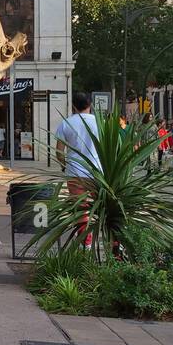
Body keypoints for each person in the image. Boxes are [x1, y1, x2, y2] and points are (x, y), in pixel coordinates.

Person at [56, 91, 101, 248]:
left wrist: (64, 165)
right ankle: (114, 245)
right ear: (90, 104)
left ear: (73, 105)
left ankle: (86, 244)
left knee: (81, 210)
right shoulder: (100, 123)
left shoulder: (66, 123)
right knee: (103, 209)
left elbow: (59, 152)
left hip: (75, 173)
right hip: (97, 173)